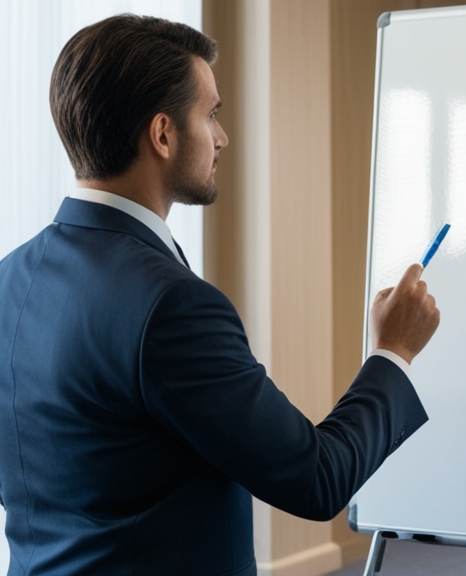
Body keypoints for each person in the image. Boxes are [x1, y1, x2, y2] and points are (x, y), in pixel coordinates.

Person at [0, 14, 440, 575]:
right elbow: (316, 478)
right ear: (162, 134)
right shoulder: (172, 305)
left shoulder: (8, 278)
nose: (222, 136)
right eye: (211, 115)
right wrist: (393, 351)